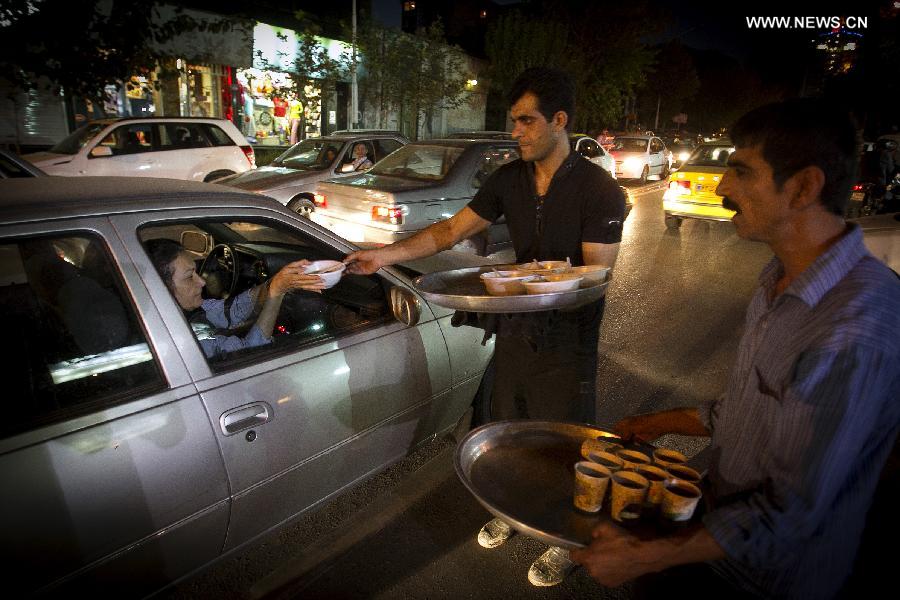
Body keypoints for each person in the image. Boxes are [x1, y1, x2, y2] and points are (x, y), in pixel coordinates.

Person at [571, 98, 900, 599]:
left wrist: (645, 556)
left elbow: (792, 514)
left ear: (804, 186)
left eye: (741, 172)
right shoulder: (779, 277)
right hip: (715, 538)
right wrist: (652, 424)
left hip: (768, 579)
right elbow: (747, 412)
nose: (722, 186)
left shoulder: (854, 327)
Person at [344, 67, 625, 587]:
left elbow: (594, 278)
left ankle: (563, 540)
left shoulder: (600, 190)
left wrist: (526, 282)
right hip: (517, 330)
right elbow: (450, 230)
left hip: (569, 341)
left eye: (526, 121)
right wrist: (380, 256)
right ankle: (513, 509)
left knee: (565, 444)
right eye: (512, 121)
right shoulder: (508, 180)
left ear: (559, 121)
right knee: (509, 429)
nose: (515, 132)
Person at [146, 239, 325, 359]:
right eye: (188, 276)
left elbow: (232, 310)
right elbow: (252, 351)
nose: (201, 281)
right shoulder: (184, 341)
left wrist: (275, 282)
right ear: (161, 286)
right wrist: (276, 293)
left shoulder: (184, 311)